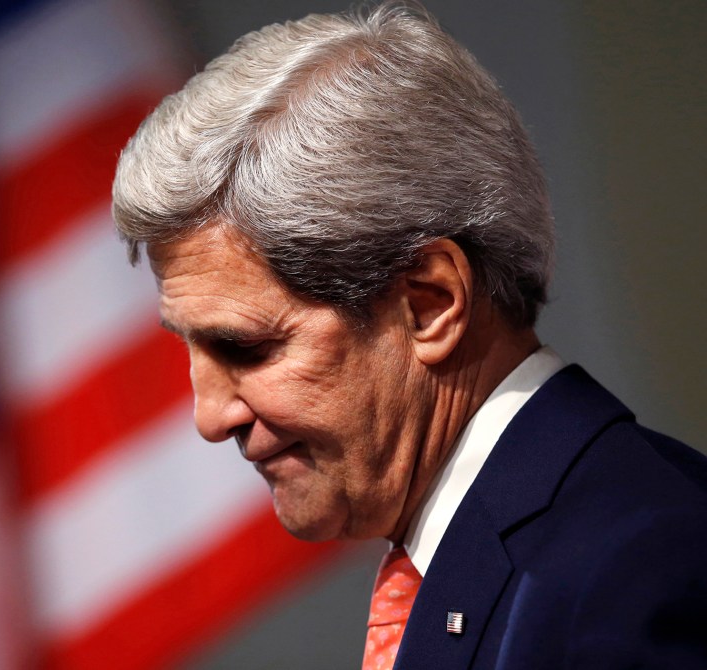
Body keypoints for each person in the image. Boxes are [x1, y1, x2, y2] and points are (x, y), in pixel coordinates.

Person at [111, 2, 707, 668]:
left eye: (245, 348)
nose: (210, 418)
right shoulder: (542, 560)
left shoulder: (635, 575)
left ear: (430, 305)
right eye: (188, 347)